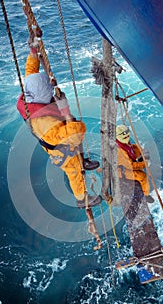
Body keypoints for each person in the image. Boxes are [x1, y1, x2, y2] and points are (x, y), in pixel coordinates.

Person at [16, 37, 102, 208]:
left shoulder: (30, 95)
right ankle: (81, 198)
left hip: (58, 136)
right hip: (58, 149)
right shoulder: (47, 124)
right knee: (74, 170)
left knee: (77, 152)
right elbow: (76, 133)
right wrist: (65, 110)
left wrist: (33, 51)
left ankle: (83, 160)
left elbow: (30, 71)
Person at [116, 124, 154, 203]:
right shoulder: (120, 151)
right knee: (142, 176)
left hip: (126, 163)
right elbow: (131, 166)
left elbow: (130, 147)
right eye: (124, 135)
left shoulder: (121, 142)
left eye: (127, 134)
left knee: (136, 149)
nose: (127, 136)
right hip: (122, 171)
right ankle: (145, 195)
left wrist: (140, 149)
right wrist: (144, 164)